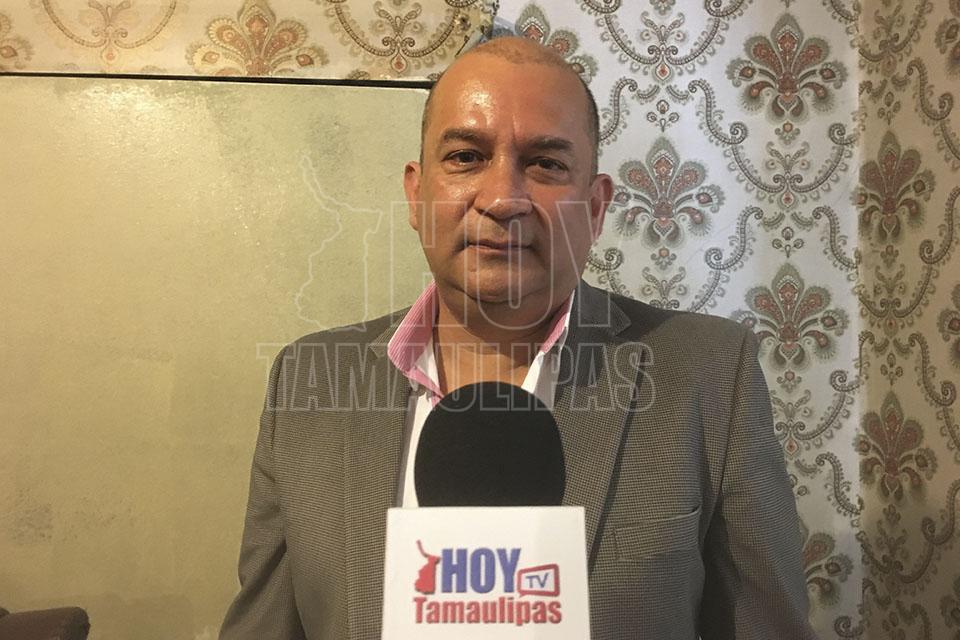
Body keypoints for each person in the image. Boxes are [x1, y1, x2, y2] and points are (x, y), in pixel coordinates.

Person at [219, 36, 817, 640]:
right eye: (465, 157)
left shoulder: (709, 374)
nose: (503, 199)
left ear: (596, 207)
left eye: (546, 164)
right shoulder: (309, 382)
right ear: (416, 194)